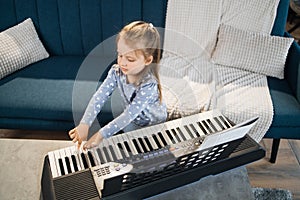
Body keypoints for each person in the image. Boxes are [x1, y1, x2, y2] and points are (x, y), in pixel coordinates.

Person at [69, 21, 167, 149]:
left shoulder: (149, 84)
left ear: (148, 60)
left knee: (153, 151)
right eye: (120, 55)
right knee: (131, 149)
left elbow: (129, 115)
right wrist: (85, 123)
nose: (123, 63)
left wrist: (100, 135)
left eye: (130, 59)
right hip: (132, 121)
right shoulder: (116, 72)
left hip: (154, 123)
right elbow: (100, 96)